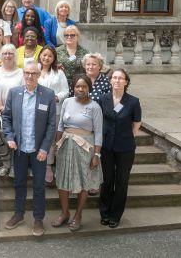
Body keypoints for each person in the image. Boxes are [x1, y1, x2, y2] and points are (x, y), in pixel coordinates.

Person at [1, 62, 57, 237]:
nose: (30, 76)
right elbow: (6, 117)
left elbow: (51, 125)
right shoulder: (14, 93)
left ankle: (38, 218)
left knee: (39, 186)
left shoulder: (48, 95)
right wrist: (9, 137)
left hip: (38, 150)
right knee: (19, 183)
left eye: (33, 73)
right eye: (27, 73)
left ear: (39, 75)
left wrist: (45, 148)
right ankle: (18, 214)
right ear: (23, 74)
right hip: (19, 149)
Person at [52, 75, 103, 232]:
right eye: (77, 86)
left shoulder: (95, 107)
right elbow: (60, 126)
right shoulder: (67, 102)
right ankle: (65, 212)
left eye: (84, 86)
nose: (80, 89)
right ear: (73, 88)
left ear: (89, 88)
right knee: (62, 180)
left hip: (85, 148)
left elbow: (99, 133)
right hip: (66, 146)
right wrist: (56, 146)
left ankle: (78, 215)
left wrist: (96, 155)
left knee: (84, 182)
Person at [98, 69, 142, 229]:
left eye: (120, 78)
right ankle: (104, 212)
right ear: (110, 81)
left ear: (126, 82)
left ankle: (115, 215)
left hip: (125, 148)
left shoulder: (133, 101)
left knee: (121, 181)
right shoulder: (103, 99)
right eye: (114, 78)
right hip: (107, 147)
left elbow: (137, 122)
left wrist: (129, 137)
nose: (117, 80)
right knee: (107, 180)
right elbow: (98, 120)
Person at [0, 44, 23, 176]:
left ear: (15, 56)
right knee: (2, 137)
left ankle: (15, 166)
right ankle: (6, 164)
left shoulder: (21, 73)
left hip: (15, 112)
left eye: (10, 53)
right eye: (5, 53)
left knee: (15, 139)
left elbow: (23, 93)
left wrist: (9, 107)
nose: (7, 56)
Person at [37, 46, 70, 182]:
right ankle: (38, 163)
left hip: (55, 109)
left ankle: (49, 165)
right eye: (44, 55)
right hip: (37, 111)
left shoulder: (59, 72)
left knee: (52, 138)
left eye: (50, 56)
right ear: (40, 55)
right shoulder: (34, 69)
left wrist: (56, 97)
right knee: (40, 136)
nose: (46, 58)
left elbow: (66, 91)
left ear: (54, 58)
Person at [56, 25, 88, 91]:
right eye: (66, 35)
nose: (69, 37)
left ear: (78, 36)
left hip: (79, 86)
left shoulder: (85, 53)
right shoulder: (57, 51)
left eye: (72, 35)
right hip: (60, 85)